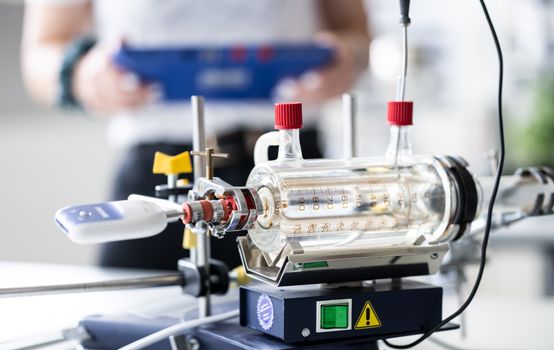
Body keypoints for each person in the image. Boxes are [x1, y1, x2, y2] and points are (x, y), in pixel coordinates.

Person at [21, 0, 371, 270]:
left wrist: (345, 57)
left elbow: (355, 31)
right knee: (133, 327)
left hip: (291, 170)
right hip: (159, 174)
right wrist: (83, 75)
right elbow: (41, 52)